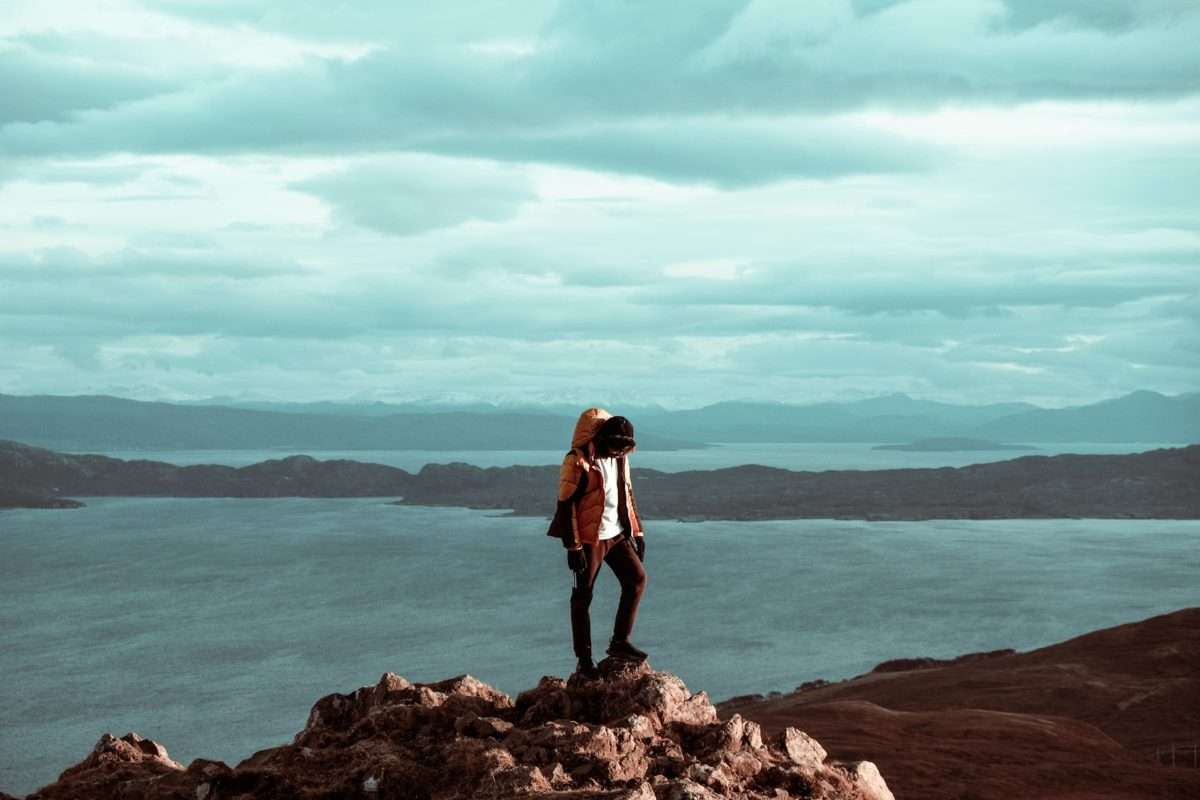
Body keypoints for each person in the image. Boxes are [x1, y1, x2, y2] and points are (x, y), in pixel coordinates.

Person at [546, 407, 648, 680]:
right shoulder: (577, 460)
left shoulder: (620, 458)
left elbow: (627, 494)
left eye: (622, 450)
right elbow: (566, 506)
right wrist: (573, 547)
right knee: (583, 596)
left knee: (637, 580)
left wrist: (637, 532)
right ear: (603, 439)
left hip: (616, 535)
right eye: (614, 448)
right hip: (589, 540)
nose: (617, 454)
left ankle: (619, 642)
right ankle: (584, 660)